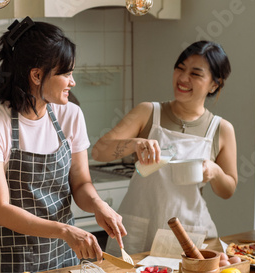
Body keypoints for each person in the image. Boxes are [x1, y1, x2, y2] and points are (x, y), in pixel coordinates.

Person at [0, 17, 126, 273]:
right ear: (36, 75)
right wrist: (65, 231)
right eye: (65, 73)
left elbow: (81, 183)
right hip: (10, 258)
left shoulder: (71, 115)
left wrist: (99, 205)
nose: (72, 82)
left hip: (63, 251)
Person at [92, 40, 237, 256]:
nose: (183, 78)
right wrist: (134, 144)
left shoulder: (221, 129)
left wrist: (215, 172)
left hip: (190, 231)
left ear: (214, 84)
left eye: (195, 74)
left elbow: (228, 190)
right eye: (180, 68)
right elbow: (98, 151)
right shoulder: (149, 112)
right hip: (138, 227)